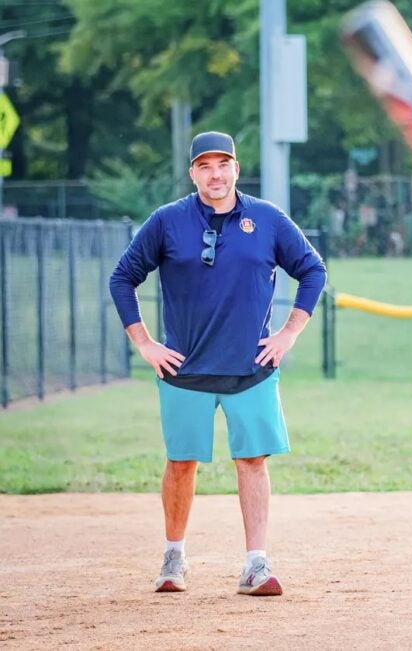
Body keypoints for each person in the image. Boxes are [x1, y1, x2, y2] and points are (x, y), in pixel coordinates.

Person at [109, 131, 327, 596]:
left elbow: (313, 270)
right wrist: (144, 342)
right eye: (205, 166)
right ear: (192, 173)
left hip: (251, 368)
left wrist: (288, 333)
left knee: (252, 460)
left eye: (223, 164)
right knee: (181, 463)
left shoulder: (267, 219)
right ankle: (173, 557)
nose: (215, 174)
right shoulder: (167, 222)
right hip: (184, 371)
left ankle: (256, 564)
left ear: (236, 169)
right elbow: (122, 277)